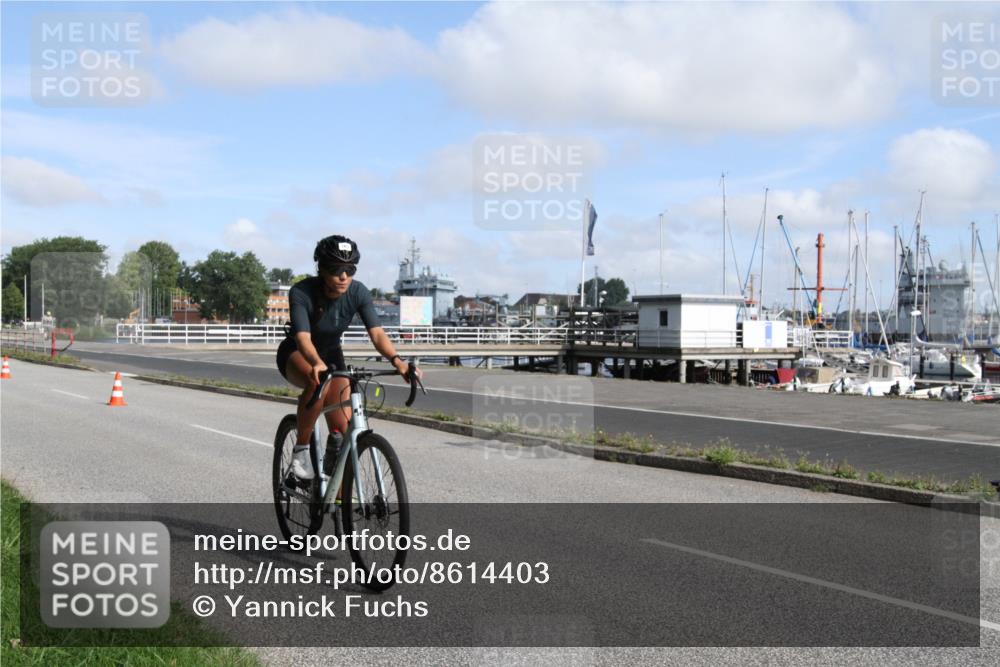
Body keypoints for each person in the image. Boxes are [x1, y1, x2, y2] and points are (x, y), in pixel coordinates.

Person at [276, 234, 420, 480]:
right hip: (298, 353)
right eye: (336, 269)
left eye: (350, 269)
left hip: (332, 354)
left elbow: (377, 334)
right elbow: (302, 338)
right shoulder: (302, 291)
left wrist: (398, 361)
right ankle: (301, 451)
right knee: (317, 381)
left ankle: (338, 491)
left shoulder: (358, 292)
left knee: (343, 431)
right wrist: (316, 363)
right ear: (322, 268)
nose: (344, 276)